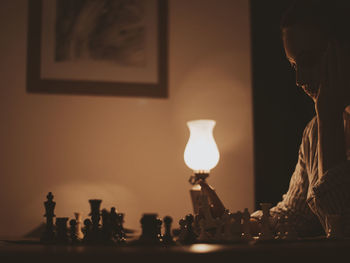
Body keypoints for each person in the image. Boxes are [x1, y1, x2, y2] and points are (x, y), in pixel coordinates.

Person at [200, 0, 350, 237]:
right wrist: (235, 223)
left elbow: (342, 228)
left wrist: (329, 117)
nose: (300, 80)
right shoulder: (313, 132)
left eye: (309, 60)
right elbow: (293, 214)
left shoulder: (324, 121)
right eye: (293, 65)